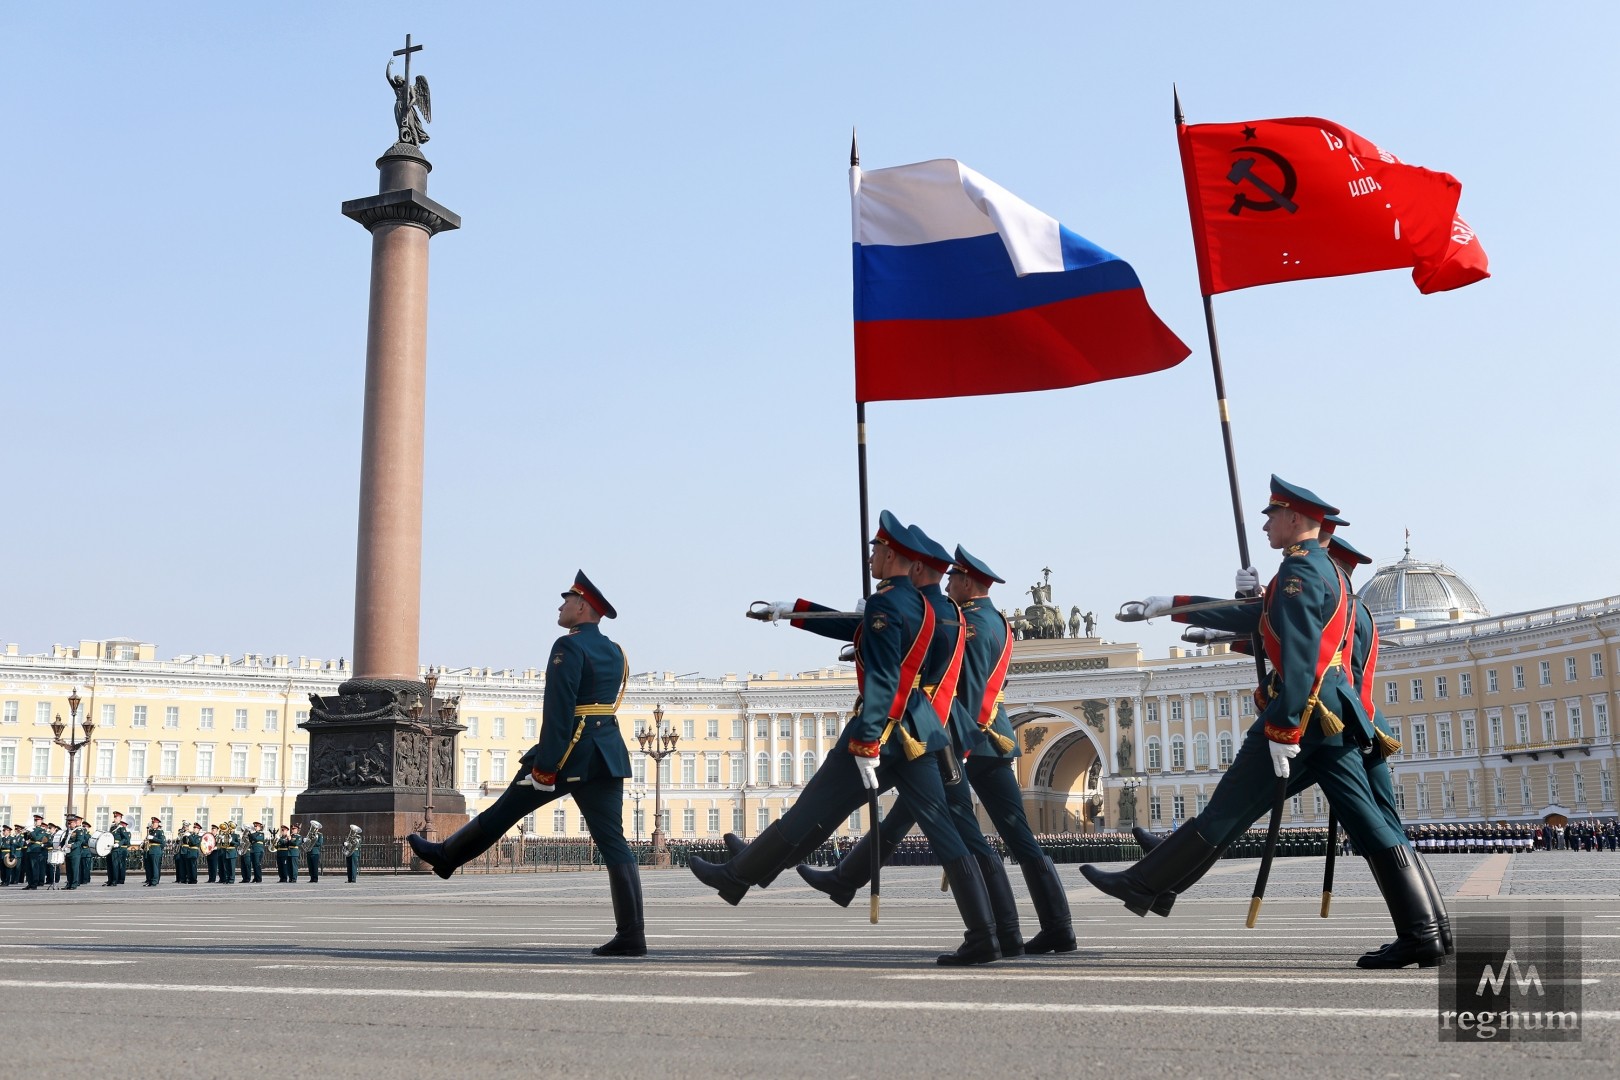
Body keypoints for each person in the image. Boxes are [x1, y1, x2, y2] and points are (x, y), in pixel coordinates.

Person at [1082, 477, 1443, 969]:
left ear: (1295, 519)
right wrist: (1179, 605)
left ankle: (1146, 882)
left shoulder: (1298, 575)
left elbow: (1300, 657)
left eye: (1272, 515)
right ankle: (1428, 930)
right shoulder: (1315, 573)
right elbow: (1267, 618)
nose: (1267, 524)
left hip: (1308, 714)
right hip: (1331, 717)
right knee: (1369, 822)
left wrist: (1285, 726)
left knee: (1228, 810)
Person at [691, 512, 1000, 965]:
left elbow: (881, 679)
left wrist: (866, 742)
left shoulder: (888, 606)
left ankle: (736, 877)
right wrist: (794, 611)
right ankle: (984, 935)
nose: (871, 556)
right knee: (944, 833)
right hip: (921, 732)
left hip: (881, 730)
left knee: (807, 814)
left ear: (894, 555)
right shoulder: (927, 609)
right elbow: (863, 635)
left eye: (876, 550)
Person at [796, 534, 1073, 957]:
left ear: (968, 582)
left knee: (968, 838)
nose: (948, 584)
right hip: (982, 741)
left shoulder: (972, 625)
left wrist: (955, 746)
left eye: (954, 577)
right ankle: (1045, 928)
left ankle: (1008, 931)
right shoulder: (996, 621)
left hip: (963, 741)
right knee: (968, 829)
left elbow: (970, 691)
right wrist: (803, 615)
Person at [410, 571, 645, 957]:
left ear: (582, 606)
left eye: (567, 599)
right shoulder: (617, 652)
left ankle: (445, 856)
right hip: (606, 754)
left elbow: (559, 710)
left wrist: (546, 767)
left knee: (504, 811)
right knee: (614, 843)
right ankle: (632, 934)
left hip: (567, 751)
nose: (560, 605)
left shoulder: (567, 648)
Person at [64, 814, 90, 890]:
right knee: (68, 869)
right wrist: (60, 845)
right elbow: (64, 840)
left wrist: (72, 846)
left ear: (75, 823)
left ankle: (74, 884)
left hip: (75, 852)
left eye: (70, 823)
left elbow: (79, 841)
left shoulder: (79, 831)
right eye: (68, 823)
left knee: (74, 869)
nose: (69, 825)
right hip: (68, 852)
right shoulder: (68, 831)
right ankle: (69, 883)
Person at [143, 817, 165, 886]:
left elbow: (162, 841)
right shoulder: (151, 831)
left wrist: (153, 838)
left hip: (155, 850)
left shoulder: (160, 832)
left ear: (157, 824)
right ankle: (150, 881)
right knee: (150, 867)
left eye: (154, 823)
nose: (153, 824)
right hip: (150, 850)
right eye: (152, 823)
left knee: (155, 867)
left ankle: (154, 881)